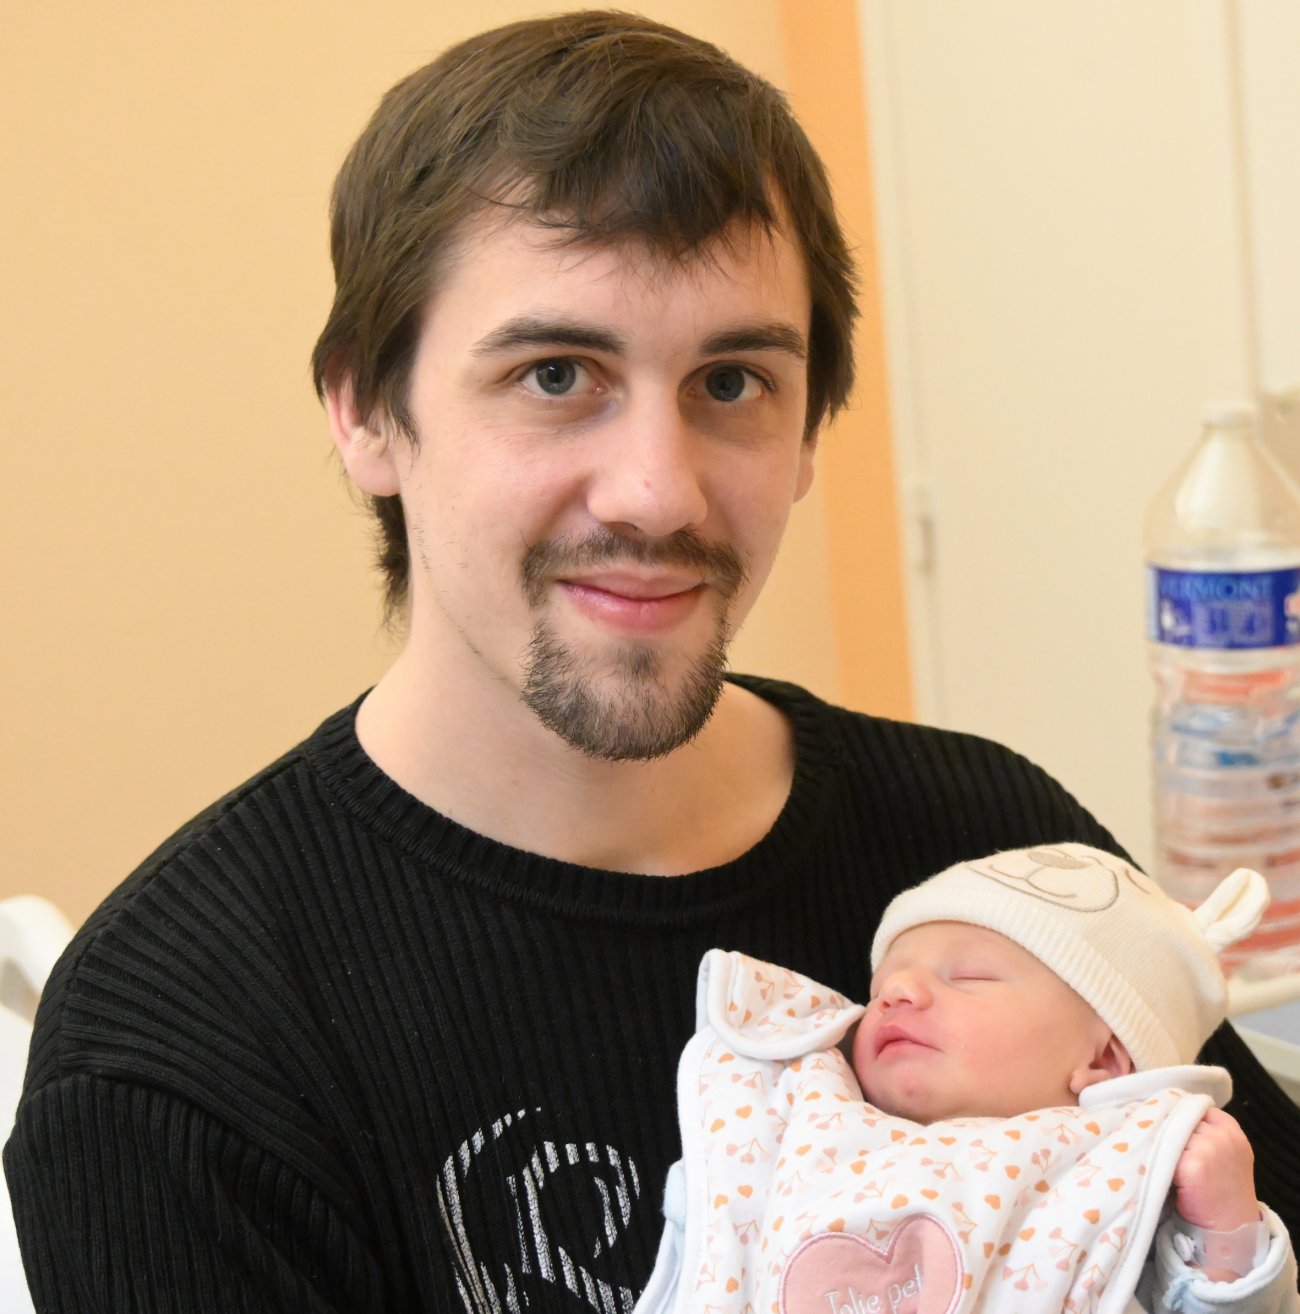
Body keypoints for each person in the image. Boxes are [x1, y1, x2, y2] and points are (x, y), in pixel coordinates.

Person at [4, 11, 1298, 1313]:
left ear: (808, 432)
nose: (655, 491)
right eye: (555, 373)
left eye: (731, 383)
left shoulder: (989, 862)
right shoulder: (173, 1055)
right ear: (364, 409)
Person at [638, 845, 1297, 1314]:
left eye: (968, 976)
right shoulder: (801, 1119)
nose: (898, 992)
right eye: (881, 986)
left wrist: (1226, 1236)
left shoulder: (1124, 1172)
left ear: (1103, 1059)